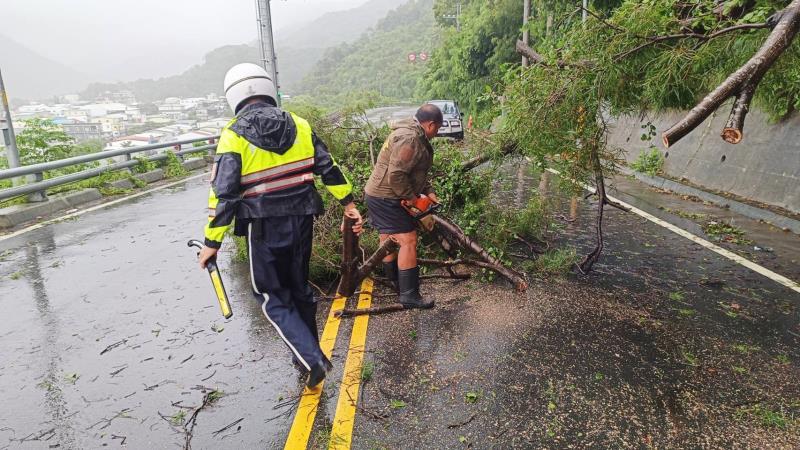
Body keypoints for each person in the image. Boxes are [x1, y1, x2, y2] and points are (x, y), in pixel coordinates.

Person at [198, 63, 362, 388]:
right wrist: (349, 204)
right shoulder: (299, 124)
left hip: (264, 227)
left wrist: (211, 243)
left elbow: (225, 194)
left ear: (233, 97)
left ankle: (311, 359)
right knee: (299, 290)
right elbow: (329, 168)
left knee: (271, 295)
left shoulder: (232, 135)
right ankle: (306, 362)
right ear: (267, 88)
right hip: (302, 221)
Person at [363, 104, 443, 309]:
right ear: (431, 124)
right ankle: (409, 295)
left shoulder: (411, 131)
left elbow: (413, 171)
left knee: (388, 239)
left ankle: (396, 283)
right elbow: (397, 175)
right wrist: (415, 200)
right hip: (387, 196)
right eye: (438, 128)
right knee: (408, 240)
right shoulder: (411, 139)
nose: (438, 133)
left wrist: (429, 190)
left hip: (378, 194)